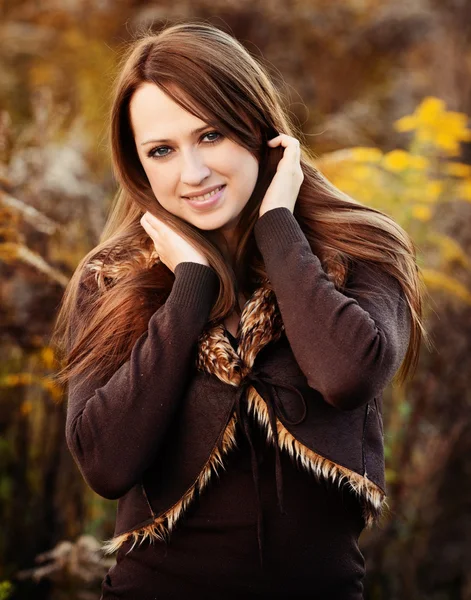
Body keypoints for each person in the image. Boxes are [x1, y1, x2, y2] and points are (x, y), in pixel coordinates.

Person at [52, 20, 426, 600]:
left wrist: (278, 224)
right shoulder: (114, 280)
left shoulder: (360, 249)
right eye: (162, 150)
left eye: (211, 136)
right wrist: (190, 289)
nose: (192, 174)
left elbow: (346, 372)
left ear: (256, 127)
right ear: (139, 165)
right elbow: (106, 464)